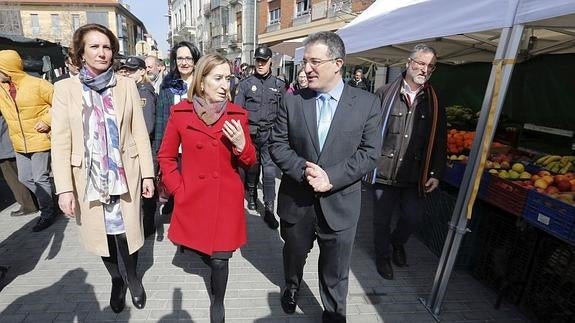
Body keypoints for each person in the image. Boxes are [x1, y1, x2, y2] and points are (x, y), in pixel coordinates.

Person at [270, 31, 383, 322]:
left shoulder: (367, 103)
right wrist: (303, 171)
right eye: (305, 61)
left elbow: (370, 153)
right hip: (298, 201)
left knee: (336, 270)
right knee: (293, 254)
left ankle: (334, 314)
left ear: (337, 63)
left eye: (314, 62)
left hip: (341, 204)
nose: (306, 69)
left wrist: (330, 177)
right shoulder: (292, 101)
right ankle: (292, 286)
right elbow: (277, 144)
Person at [50, 23, 155, 313]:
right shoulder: (64, 90)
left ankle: (133, 278)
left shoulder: (126, 85)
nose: (102, 52)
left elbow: (138, 133)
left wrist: (148, 173)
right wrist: (64, 189)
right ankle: (116, 280)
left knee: (127, 231)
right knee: (103, 234)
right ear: (81, 52)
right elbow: (59, 143)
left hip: (125, 174)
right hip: (88, 178)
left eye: (107, 47)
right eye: (94, 46)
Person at [157, 53, 256, 323]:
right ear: (201, 82)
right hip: (194, 197)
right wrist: (178, 189)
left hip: (226, 198)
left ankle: (219, 302)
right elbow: (166, 156)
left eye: (229, 78)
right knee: (204, 252)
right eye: (218, 78)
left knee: (221, 259)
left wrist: (241, 144)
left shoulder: (237, 115)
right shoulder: (180, 114)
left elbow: (249, 160)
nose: (226, 84)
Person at [368, 44, 446, 280]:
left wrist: (436, 172)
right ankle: (382, 257)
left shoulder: (433, 100)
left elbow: (440, 138)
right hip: (383, 171)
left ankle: (397, 243)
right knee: (381, 220)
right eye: (421, 63)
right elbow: (369, 131)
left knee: (412, 217)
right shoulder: (384, 93)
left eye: (430, 66)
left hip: (415, 173)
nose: (425, 69)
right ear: (408, 63)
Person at [0, 50, 57, 232]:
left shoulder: (38, 85)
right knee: (25, 178)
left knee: (40, 178)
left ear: (7, 68)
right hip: (19, 142)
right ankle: (52, 201)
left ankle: (48, 213)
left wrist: (47, 121)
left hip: (39, 139)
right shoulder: (1, 90)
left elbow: (61, 105)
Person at [234, 46, 285, 229]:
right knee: (253, 169)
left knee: (270, 173)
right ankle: (252, 194)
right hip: (251, 135)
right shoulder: (246, 84)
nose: (260, 64)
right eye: (258, 61)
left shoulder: (279, 85)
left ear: (271, 61)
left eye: (264, 61)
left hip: (270, 135)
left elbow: (283, 113)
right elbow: (238, 112)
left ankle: (270, 209)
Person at [122, 55, 158, 239]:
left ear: (143, 71)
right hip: (142, 146)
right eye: (126, 70)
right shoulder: (135, 88)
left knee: (147, 187)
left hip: (147, 147)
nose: (128, 73)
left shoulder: (143, 91)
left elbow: (146, 126)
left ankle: (149, 224)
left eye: (132, 70)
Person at [0, 112, 37, 217]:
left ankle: (28, 205)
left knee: (13, 176)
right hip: (10, 139)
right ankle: (33, 202)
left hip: (5, 143)